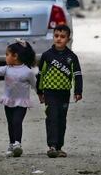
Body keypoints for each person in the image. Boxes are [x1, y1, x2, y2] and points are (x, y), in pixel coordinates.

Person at [36, 24, 83, 158]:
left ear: (68, 39)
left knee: (61, 119)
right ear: (53, 37)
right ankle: (51, 146)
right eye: (56, 36)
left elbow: (77, 74)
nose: (59, 39)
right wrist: (40, 92)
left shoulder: (72, 57)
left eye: (62, 37)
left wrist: (78, 91)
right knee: (52, 118)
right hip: (49, 92)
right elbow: (40, 74)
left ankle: (59, 146)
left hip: (64, 93)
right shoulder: (47, 56)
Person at [0, 41, 37, 158]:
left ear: (15, 56)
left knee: (17, 122)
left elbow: (35, 85)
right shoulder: (7, 69)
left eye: (7, 54)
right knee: (10, 123)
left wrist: (41, 95)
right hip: (8, 101)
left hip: (21, 102)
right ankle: (11, 144)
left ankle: (17, 144)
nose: (5, 57)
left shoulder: (28, 71)